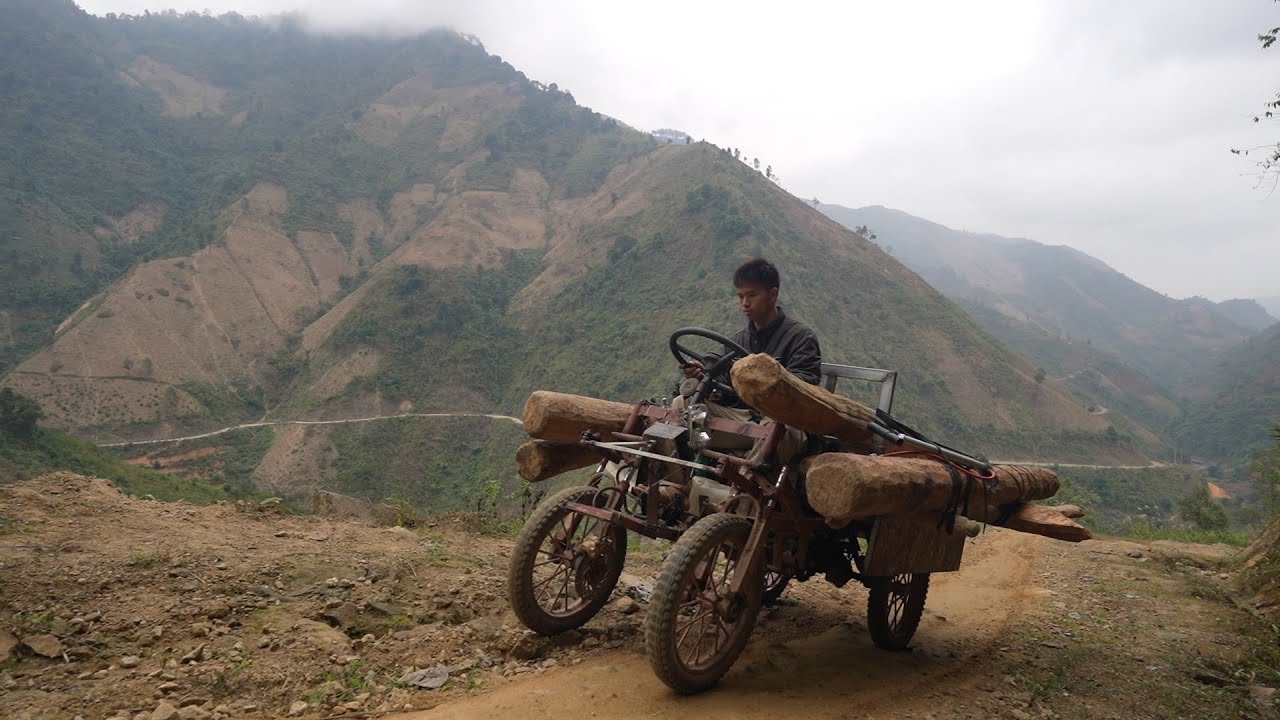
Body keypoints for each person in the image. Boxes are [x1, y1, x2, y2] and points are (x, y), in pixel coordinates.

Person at [673, 257, 821, 465]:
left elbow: (805, 385)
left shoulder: (800, 337)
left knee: (777, 426)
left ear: (773, 294)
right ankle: (701, 454)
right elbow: (725, 382)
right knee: (684, 403)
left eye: (752, 295)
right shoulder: (738, 340)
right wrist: (704, 374)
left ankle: (746, 485)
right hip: (743, 420)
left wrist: (764, 379)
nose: (745, 303)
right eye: (741, 296)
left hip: (781, 421)